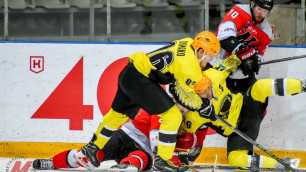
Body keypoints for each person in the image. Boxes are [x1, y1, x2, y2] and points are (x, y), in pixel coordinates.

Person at [75, 31, 221, 172]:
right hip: (140, 80)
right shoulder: (190, 68)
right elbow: (179, 93)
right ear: (200, 52)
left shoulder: (188, 42)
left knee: (117, 115)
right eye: (210, 56)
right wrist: (203, 106)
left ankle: (91, 149)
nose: (211, 60)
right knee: (173, 116)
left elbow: (179, 80)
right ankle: (162, 160)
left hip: (128, 73)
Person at [176, 54, 305, 169]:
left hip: (247, 107)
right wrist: (184, 150)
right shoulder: (192, 115)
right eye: (203, 93)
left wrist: (248, 59)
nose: (208, 93)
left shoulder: (213, 75)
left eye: (208, 88)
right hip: (238, 131)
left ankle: (302, 85)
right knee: (235, 159)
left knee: (259, 87)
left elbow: (233, 60)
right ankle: (279, 165)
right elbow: (184, 139)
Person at [31, 104, 206, 171]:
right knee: (88, 156)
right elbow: (156, 138)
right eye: (182, 105)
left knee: (136, 162)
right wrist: (168, 161)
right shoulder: (164, 106)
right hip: (126, 136)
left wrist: (182, 153)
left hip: (143, 150)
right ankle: (53, 162)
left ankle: (123, 167)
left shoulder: (185, 115)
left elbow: (172, 142)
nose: (184, 109)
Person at [210, 0, 274, 93]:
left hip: (242, 74)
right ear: (252, 4)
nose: (261, 14)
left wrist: (255, 62)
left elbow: (260, 54)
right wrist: (242, 52)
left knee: (255, 100)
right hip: (219, 64)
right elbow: (224, 36)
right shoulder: (239, 11)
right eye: (259, 9)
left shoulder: (267, 31)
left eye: (265, 11)